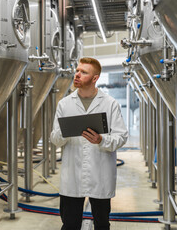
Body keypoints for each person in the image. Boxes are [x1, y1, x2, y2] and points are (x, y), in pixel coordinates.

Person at [50, 57, 128, 230]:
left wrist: (102, 140)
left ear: (95, 78)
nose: (77, 75)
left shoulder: (110, 104)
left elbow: (121, 136)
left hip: (100, 173)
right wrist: (67, 130)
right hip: (72, 175)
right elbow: (54, 139)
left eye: (83, 72)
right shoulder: (64, 104)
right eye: (77, 70)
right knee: (69, 224)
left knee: (101, 224)